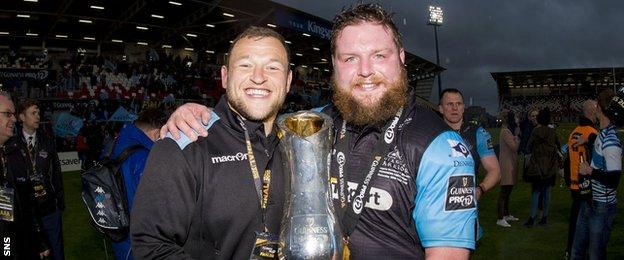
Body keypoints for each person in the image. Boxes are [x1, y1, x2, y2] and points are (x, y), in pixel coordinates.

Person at [163, 4, 477, 259]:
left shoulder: (439, 147)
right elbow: (253, 115)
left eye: (379, 56)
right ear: (334, 65)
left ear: (401, 58)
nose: (365, 70)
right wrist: (200, 113)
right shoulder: (310, 125)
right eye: (350, 58)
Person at [131, 26, 291, 259]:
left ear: (288, 81)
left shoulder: (299, 144)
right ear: (225, 77)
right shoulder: (184, 143)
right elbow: (151, 246)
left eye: (273, 67)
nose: (258, 77)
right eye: (245, 65)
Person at [571, 88, 623, 260]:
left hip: (602, 207)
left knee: (595, 255)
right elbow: (599, 143)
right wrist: (588, 139)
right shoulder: (602, 134)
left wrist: (590, 171)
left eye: (596, 103)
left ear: (600, 108)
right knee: (577, 251)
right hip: (590, 201)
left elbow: (614, 179)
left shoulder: (611, 142)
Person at [111, 108, 167, 260]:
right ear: (157, 132)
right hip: (139, 238)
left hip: (119, 228)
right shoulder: (144, 157)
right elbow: (156, 206)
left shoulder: (118, 142)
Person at [0, 92, 49, 259]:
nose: (13, 119)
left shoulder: (12, 154)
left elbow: (27, 201)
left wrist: (39, 239)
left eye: (13, 114)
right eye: (7, 114)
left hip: (19, 242)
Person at [14, 99, 64, 260]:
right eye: (33, 113)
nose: (37, 116)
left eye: (38, 113)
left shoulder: (47, 140)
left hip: (49, 208)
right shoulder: (12, 143)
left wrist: (59, 201)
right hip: (26, 210)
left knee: (56, 251)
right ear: (22, 117)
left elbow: (56, 173)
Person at [438, 88, 501, 200]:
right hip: (436, 200)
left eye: (458, 104)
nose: (455, 108)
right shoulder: (431, 133)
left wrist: (480, 189)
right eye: (449, 104)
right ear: (441, 109)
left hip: (466, 205)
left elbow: (495, 170)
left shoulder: (478, 133)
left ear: (463, 108)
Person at [563, 99, 598, 258]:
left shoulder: (575, 131)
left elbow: (568, 161)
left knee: (575, 221)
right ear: (592, 112)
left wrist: (569, 181)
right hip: (587, 186)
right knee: (588, 225)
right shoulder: (592, 132)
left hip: (574, 185)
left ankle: (570, 251)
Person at [523, 108, 560, 227]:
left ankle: (532, 217)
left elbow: (528, 147)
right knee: (547, 193)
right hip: (550, 166)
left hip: (537, 165)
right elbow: (557, 146)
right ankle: (544, 217)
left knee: (536, 192)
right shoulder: (552, 132)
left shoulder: (536, 131)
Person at [496, 110, 520, 227]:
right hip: (506, 165)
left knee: (507, 191)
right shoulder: (506, 132)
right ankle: (500, 218)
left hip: (509, 163)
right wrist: (517, 136)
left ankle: (506, 214)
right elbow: (514, 147)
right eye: (515, 117)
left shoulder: (507, 131)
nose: (517, 119)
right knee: (504, 192)